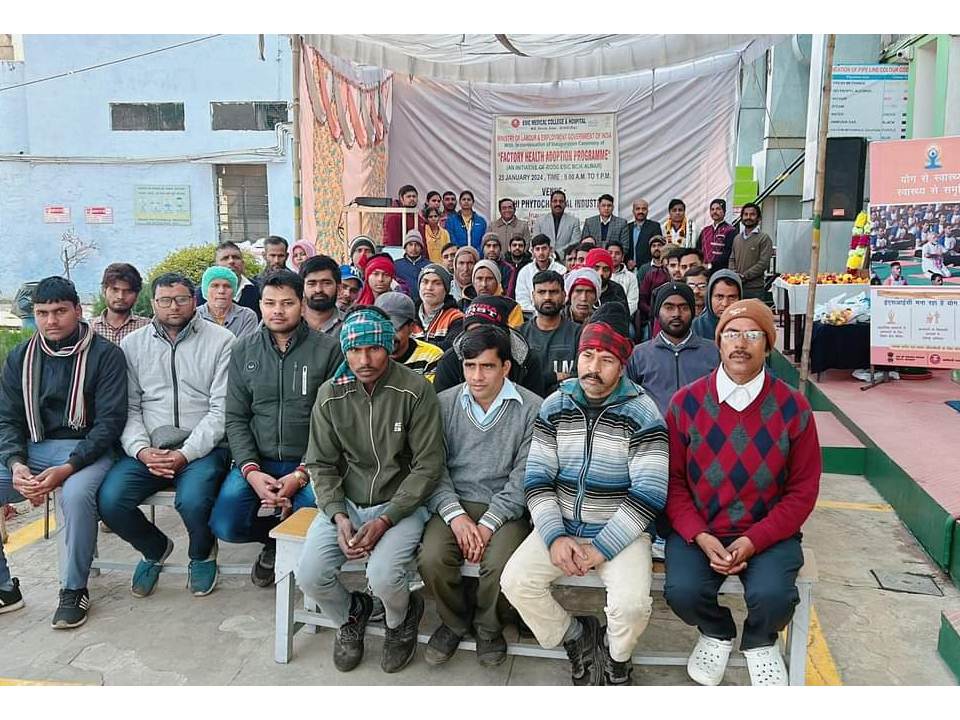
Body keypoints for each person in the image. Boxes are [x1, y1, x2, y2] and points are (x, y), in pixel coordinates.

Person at [501, 302, 668, 686]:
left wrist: (601, 548)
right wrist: (554, 536)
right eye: (587, 356)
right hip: (561, 523)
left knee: (631, 606)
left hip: (620, 530)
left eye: (606, 360)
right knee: (516, 582)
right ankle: (576, 635)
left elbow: (649, 492)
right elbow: (537, 478)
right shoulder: (555, 405)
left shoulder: (643, 413)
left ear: (621, 366)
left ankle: (616, 655)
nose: (594, 367)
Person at [664, 300, 820, 686]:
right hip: (702, 529)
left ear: (768, 346)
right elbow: (672, 482)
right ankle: (716, 631)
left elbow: (802, 491)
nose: (740, 343)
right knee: (682, 592)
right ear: (718, 342)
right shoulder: (685, 404)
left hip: (767, 533)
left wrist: (754, 540)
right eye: (731, 333)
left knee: (774, 597)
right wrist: (700, 536)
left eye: (753, 334)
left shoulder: (794, 408)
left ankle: (759, 640)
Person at [296, 306, 445, 674]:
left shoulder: (414, 390)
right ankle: (351, 614)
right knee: (310, 575)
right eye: (355, 350)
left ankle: (400, 620)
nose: (364, 360)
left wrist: (386, 519)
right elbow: (320, 463)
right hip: (346, 503)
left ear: (389, 347)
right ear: (345, 351)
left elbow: (428, 465)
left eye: (374, 349)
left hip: (402, 505)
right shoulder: (330, 394)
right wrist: (338, 515)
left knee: (384, 578)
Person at [0, 277, 127, 628]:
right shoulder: (20, 357)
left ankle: (74, 589)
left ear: (77, 310)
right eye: (42, 313)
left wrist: (67, 468)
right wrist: (16, 463)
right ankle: (5, 588)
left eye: (59, 311)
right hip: (33, 448)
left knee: (74, 496)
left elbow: (110, 424)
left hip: (88, 451)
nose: (51, 321)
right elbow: (8, 419)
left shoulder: (106, 355)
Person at [97, 273, 234, 599]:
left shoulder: (222, 341)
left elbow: (221, 409)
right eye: (165, 300)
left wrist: (185, 453)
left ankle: (202, 553)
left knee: (193, 500)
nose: (174, 307)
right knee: (110, 501)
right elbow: (129, 407)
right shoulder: (133, 345)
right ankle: (154, 548)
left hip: (202, 448)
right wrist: (141, 449)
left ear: (195, 300)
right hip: (150, 448)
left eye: (181, 299)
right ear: (152, 303)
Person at [210, 270, 342, 586]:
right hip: (259, 460)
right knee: (226, 523)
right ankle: (272, 541)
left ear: (302, 304)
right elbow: (236, 417)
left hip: (312, 463)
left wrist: (301, 474)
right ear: (261, 306)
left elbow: (334, 420)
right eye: (270, 303)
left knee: (312, 514)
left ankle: (300, 563)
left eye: (287, 303)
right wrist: (251, 472)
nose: (277, 311)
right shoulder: (243, 349)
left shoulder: (328, 349)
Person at [419, 325, 541, 666]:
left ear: (506, 367)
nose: (476, 376)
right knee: (431, 558)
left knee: (502, 564)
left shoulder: (532, 408)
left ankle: (489, 627)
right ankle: (454, 622)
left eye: (487, 366)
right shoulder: (443, 404)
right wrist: (456, 516)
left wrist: (488, 524)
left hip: (506, 508)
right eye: (470, 366)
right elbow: (432, 466)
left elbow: (524, 476)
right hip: (453, 502)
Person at [627, 282, 719, 417]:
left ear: (693, 312)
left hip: (703, 428)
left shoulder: (714, 352)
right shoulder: (638, 355)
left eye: (684, 307)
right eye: (669, 307)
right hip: (655, 429)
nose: (676, 314)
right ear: (658, 312)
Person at [433, 296, 549, 398]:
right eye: (472, 332)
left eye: (485, 332)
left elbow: (534, 404)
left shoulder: (526, 360)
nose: (478, 337)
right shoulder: (450, 360)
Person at [518, 270, 582, 394]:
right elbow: (518, 380)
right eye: (541, 292)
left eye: (553, 292)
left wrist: (538, 380)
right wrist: (552, 377)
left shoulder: (578, 334)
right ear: (533, 296)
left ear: (564, 296)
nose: (547, 297)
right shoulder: (519, 334)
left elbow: (579, 377)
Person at [376, 292, 444, 382]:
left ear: (412, 327)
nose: (389, 335)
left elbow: (428, 390)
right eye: (383, 328)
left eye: (395, 329)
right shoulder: (367, 356)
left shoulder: (431, 356)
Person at [197, 241, 262, 319]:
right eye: (225, 258)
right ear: (216, 265)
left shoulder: (259, 290)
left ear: (243, 263)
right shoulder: (201, 294)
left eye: (236, 257)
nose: (231, 261)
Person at [91, 262, 150, 345]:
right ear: (104, 291)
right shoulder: (88, 329)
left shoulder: (147, 329)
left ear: (136, 295)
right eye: (115, 290)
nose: (121, 296)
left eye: (128, 291)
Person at [412, 264, 464, 351]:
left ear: (446, 289)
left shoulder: (456, 318)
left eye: (437, 283)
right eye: (425, 282)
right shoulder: (408, 316)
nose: (429, 288)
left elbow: (450, 349)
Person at [196, 266, 259, 338]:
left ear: (234, 290)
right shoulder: (194, 316)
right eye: (215, 286)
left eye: (227, 286)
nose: (221, 291)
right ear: (205, 289)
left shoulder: (246, 316)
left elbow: (245, 344)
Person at [730, 203, 773, 301]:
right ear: (741, 217)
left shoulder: (764, 238)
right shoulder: (737, 238)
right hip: (736, 287)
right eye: (745, 214)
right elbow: (732, 259)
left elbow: (763, 263)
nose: (748, 217)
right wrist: (734, 274)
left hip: (755, 289)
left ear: (759, 218)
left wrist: (744, 276)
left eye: (752, 214)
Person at [515, 234, 567, 315]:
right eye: (537, 249)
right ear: (532, 251)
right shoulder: (524, 272)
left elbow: (564, 297)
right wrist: (539, 313)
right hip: (530, 315)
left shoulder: (561, 270)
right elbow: (522, 300)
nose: (541, 252)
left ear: (550, 249)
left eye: (544, 248)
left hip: (557, 314)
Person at [467, 260, 524, 328]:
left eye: (489, 279)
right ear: (473, 282)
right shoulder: (464, 303)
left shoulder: (511, 307)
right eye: (479, 279)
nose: (484, 284)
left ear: (497, 281)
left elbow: (516, 333)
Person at [692, 269, 742, 341]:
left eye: (732, 297)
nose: (725, 304)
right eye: (719, 297)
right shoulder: (696, 327)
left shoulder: (748, 327)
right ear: (709, 298)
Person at [301, 255, 344, 335]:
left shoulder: (349, 324)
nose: (318, 290)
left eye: (326, 283)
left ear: (339, 288)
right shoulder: (290, 323)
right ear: (302, 288)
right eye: (312, 284)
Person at [583, 247, 629, 313]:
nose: (601, 273)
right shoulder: (578, 289)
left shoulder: (617, 291)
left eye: (606, 269)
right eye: (596, 268)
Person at [697, 199, 737, 270]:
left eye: (718, 209)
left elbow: (728, 253)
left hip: (721, 271)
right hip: (703, 270)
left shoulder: (730, 231)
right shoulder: (705, 230)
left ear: (724, 211)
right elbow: (698, 249)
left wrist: (710, 266)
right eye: (712, 209)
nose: (714, 212)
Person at [394, 230, 430, 303]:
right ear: (405, 247)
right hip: (403, 303)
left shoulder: (429, 266)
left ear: (421, 247)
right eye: (410, 244)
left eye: (417, 245)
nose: (413, 248)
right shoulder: (396, 265)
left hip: (425, 303)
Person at [626, 198, 663, 269]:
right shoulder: (627, 227)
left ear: (647, 211)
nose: (641, 211)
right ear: (633, 211)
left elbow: (657, 249)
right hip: (629, 269)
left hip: (649, 269)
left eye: (644, 209)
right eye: (638, 209)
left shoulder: (654, 226)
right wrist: (627, 261)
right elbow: (624, 247)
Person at [607, 240, 639, 317]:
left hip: (623, 317)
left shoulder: (631, 277)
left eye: (617, 253)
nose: (613, 256)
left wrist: (618, 316)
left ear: (622, 257)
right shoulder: (600, 275)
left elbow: (633, 302)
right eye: (610, 253)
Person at [480, 233, 517, 298]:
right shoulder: (477, 267)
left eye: (495, 246)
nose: (492, 249)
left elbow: (508, 295)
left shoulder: (509, 269)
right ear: (483, 248)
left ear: (500, 249)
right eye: (488, 246)